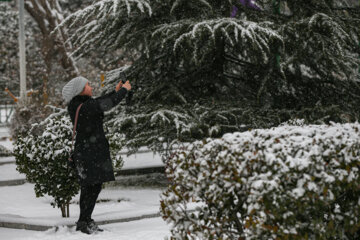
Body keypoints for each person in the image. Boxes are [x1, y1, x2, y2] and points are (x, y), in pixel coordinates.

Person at [62, 76, 131, 234]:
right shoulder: (84, 106)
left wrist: (116, 91)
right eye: (88, 84)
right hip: (89, 153)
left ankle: (85, 220)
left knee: (91, 186)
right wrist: (124, 91)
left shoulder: (80, 104)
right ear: (80, 89)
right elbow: (106, 104)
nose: (91, 87)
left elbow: (100, 101)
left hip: (88, 151)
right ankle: (83, 221)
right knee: (90, 187)